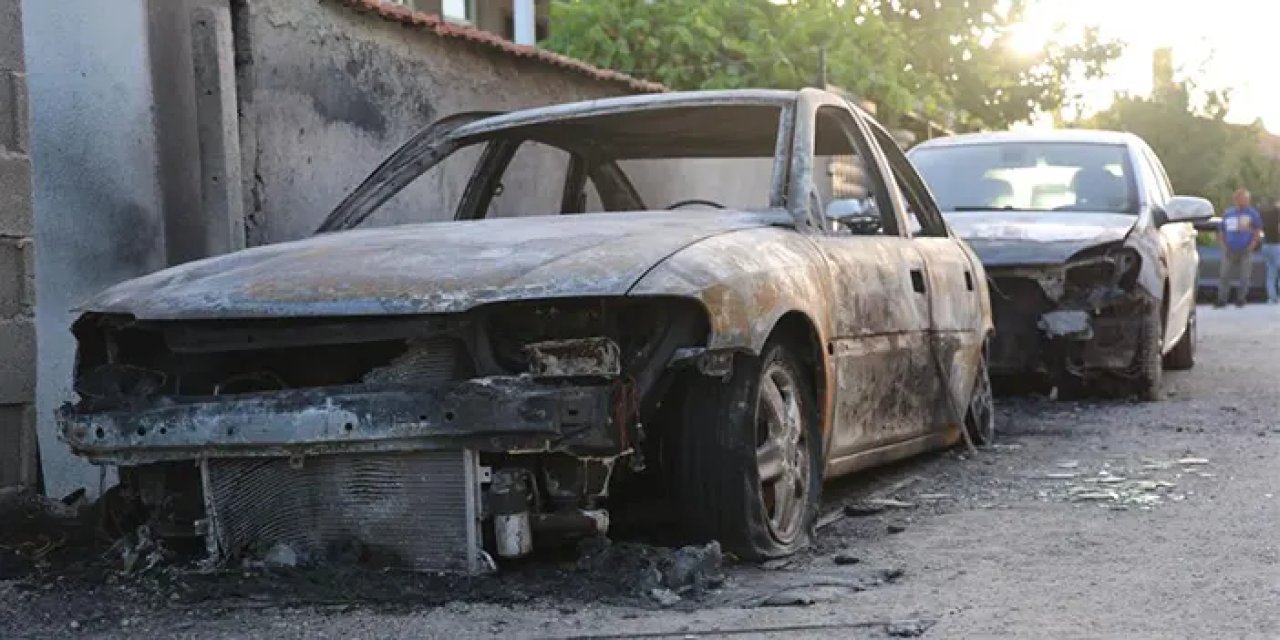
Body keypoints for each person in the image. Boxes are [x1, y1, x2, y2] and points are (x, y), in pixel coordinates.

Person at [1217, 188, 1263, 308]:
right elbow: (1222, 230)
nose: (1245, 201)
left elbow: (1257, 230)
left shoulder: (1252, 214)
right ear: (1236, 200)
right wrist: (1223, 244)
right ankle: (1222, 299)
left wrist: (1253, 244)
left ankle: (1241, 299)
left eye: (1247, 199)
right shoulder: (1228, 213)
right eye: (1243, 199)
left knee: (1244, 276)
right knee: (1224, 275)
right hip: (1229, 249)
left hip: (1246, 249)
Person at [1260, 197, 1280, 303]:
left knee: (1271, 274)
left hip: (1266, 245)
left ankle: (1272, 297)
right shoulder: (1277, 214)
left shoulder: (1264, 214)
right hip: (1277, 245)